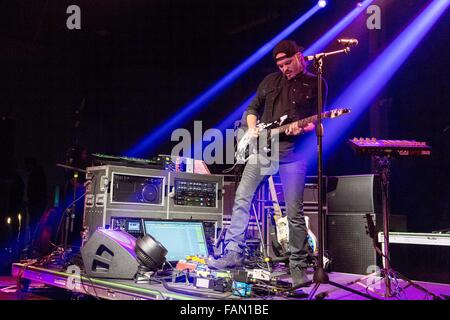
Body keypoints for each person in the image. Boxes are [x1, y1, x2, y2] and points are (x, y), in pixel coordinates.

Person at [208, 39, 327, 287]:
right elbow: (252, 109)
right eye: (281, 64)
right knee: (242, 197)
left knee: (294, 212)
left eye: (288, 62)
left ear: (300, 56)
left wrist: (303, 128)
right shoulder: (270, 82)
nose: (285, 68)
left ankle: (297, 267)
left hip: (292, 153)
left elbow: (315, 121)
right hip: (263, 151)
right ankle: (232, 253)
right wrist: (252, 130)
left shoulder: (316, 83)